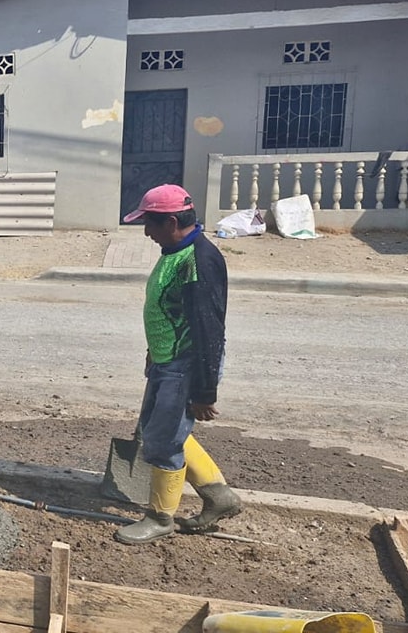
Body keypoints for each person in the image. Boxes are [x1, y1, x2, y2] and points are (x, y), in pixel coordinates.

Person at [114, 184, 243, 545]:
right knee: (161, 430)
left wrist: (204, 391)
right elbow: (171, 310)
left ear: (171, 222)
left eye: (150, 224)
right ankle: (219, 497)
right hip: (167, 360)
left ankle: (160, 518)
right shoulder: (175, 251)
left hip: (186, 367)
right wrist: (154, 349)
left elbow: (208, 329)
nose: (146, 232)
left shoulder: (198, 262)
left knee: (162, 441)